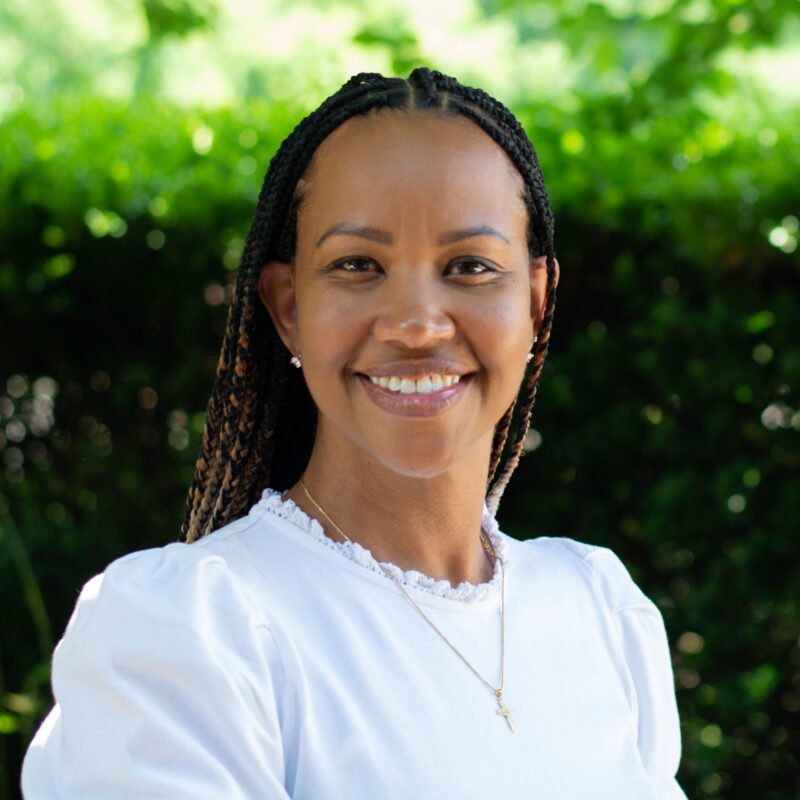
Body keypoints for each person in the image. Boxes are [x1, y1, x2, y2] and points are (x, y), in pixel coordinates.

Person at [22, 67, 686, 798]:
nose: (415, 323)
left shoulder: (599, 608)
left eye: (469, 266)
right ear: (287, 307)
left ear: (535, 302)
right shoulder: (193, 628)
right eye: (357, 265)